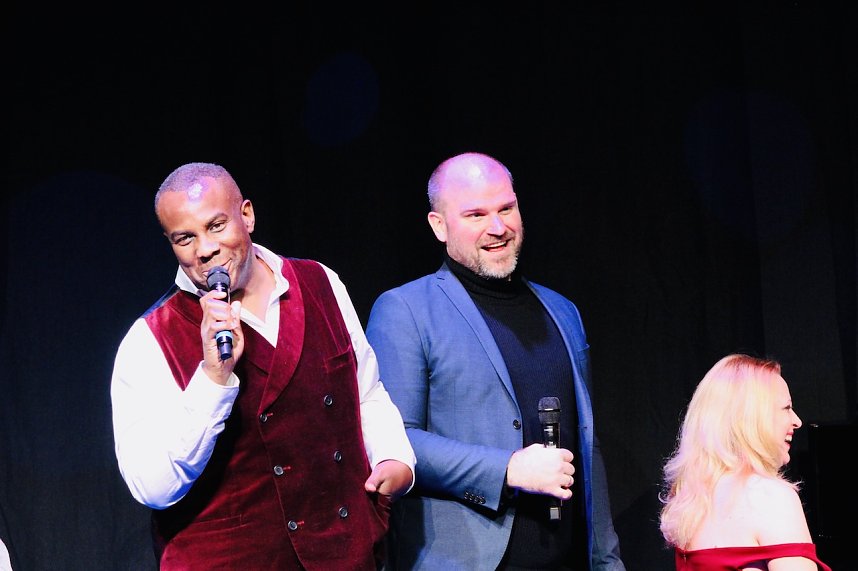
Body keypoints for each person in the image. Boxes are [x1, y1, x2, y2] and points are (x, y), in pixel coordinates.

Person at [110, 162, 416, 570]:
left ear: (247, 216)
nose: (205, 250)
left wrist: (394, 458)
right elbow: (151, 486)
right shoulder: (149, 340)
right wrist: (213, 379)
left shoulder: (319, 282)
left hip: (342, 551)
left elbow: (366, 392)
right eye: (185, 238)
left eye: (216, 226)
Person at [365, 152, 625, 570]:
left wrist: (607, 560)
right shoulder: (406, 310)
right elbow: (397, 441)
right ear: (439, 225)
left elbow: (587, 446)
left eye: (507, 208)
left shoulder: (563, 312)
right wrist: (507, 469)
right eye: (476, 215)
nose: (498, 228)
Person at [659, 353, 831, 570]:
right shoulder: (770, 496)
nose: (796, 421)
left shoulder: (690, 499)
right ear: (752, 418)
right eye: (786, 408)